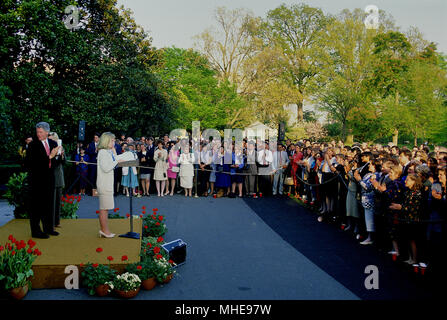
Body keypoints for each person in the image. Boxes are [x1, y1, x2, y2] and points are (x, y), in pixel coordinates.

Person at [25, 122, 62, 238]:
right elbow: (33, 164)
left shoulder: (53, 143)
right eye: (37, 132)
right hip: (36, 181)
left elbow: (57, 163)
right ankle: (36, 231)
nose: (38, 134)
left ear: (47, 132)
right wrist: (50, 157)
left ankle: (48, 228)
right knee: (36, 206)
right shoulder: (33, 145)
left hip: (49, 180)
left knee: (48, 205)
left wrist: (59, 156)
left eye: (40, 132)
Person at [96, 132, 124, 237]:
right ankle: (104, 231)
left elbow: (115, 162)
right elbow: (106, 167)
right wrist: (116, 162)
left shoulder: (108, 152)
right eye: (112, 140)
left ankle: (105, 230)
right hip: (104, 184)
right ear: (106, 140)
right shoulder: (103, 152)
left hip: (107, 183)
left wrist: (115, 154)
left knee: (106, 208)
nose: (114, 142)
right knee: (104, 208)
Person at [49, 132, 66, 228]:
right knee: (51, 202)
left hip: (59, 178)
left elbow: (64, 162)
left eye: (52, 139)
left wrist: (61, 156)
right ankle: (50, 222)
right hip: (50, 178)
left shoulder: (61, 148)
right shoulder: (47, 149)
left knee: (58, 202)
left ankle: (57, 221)